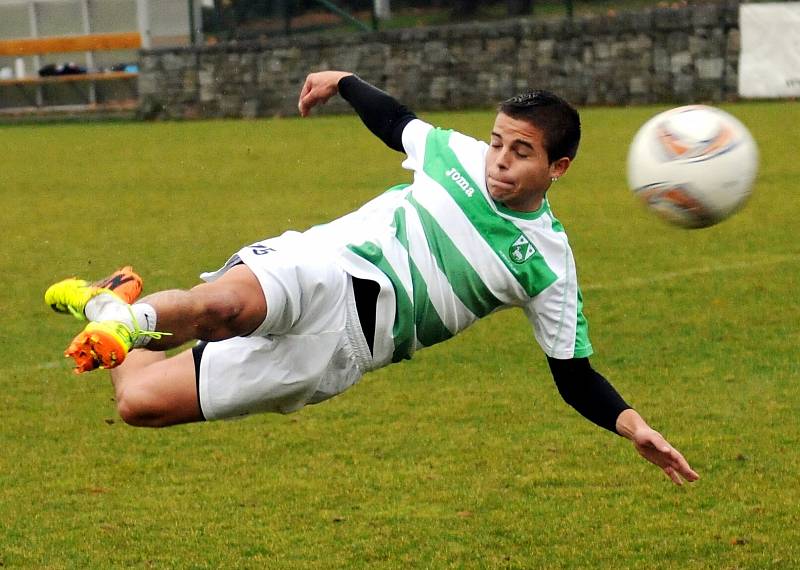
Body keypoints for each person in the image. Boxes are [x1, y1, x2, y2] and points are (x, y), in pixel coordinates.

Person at [45, 70, 699, 486]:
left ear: (558, 168)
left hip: (343, 351)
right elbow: (396, 122)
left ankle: (115, 303)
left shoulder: (549, 265)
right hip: (329, 264)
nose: (498, 160)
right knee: (225, 308)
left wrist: (630, 424)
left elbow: (573, 374)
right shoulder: (455, 154)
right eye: (497, 140)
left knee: (139, 405)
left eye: (520, 152)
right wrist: (345, 80)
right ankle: (131, 321)